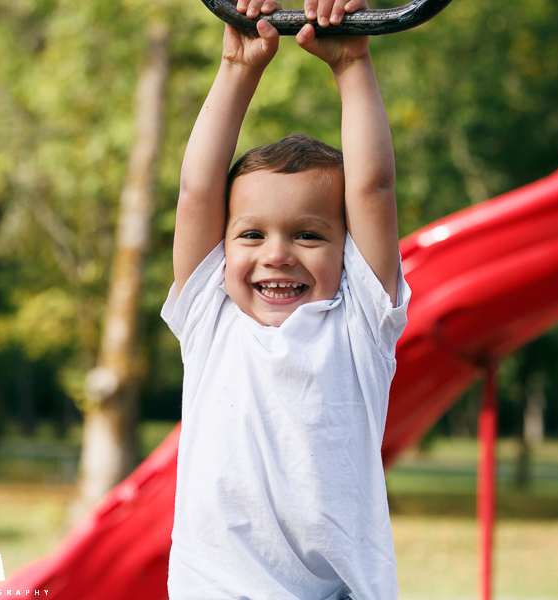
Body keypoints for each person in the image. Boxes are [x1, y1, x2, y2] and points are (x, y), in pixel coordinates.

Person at [160, 0, 411, 596]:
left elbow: (373, 187)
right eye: (251, 234)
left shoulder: (359, 323)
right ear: (222, 247)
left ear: (346, 249)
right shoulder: (210, 318)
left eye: (308, 234)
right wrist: (237, 66)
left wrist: (352, 64)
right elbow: (198, 191)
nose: (277, 254)